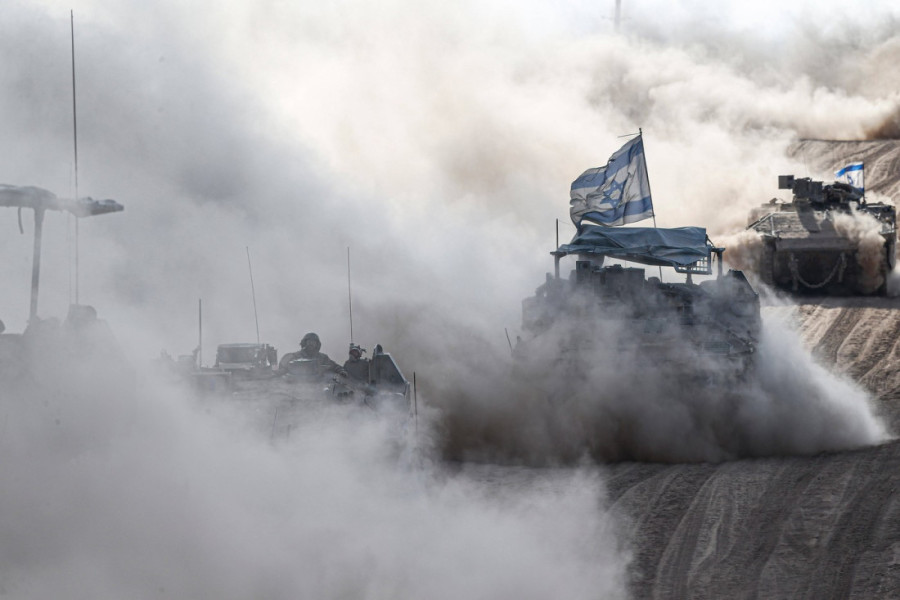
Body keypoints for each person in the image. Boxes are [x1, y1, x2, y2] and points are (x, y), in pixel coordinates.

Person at [278, 332, 347, 379]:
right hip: (296, 385)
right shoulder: (295, 356)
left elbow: (334, 366)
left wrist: (341, 371)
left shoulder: (322, 357)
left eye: (313, 342)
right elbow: (283, 369)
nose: (311, 344)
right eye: (309, 341)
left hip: (318, 384)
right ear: (304, 343)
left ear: (317, 344)